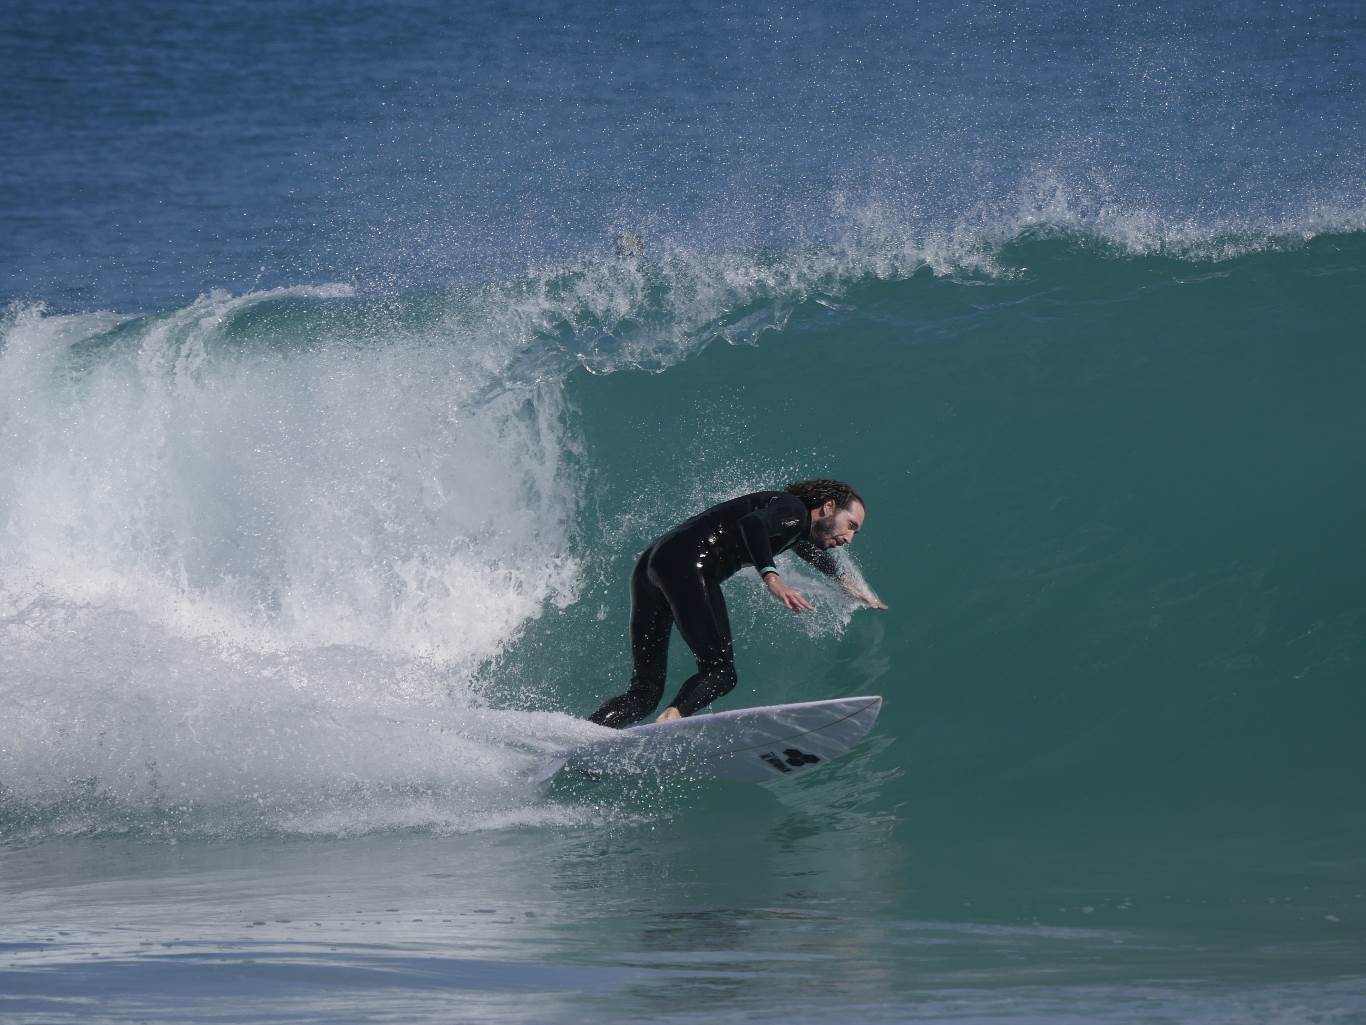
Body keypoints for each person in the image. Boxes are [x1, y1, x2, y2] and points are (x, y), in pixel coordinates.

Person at [588, 479, 884, 728]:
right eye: (850, 525)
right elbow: (752, 524)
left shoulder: (792, 525)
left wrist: (850, 586)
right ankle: (670, 721)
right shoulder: (794, 510)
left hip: (652, 567)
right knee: (720, 672)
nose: (849, 538)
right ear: (828, 507)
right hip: (689, 564)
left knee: (644, 695)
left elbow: (809, 552)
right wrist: (772, 579)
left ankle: (584, 738)